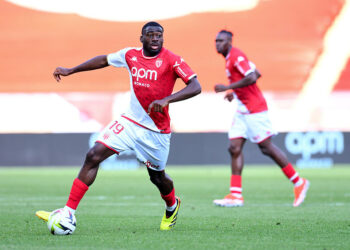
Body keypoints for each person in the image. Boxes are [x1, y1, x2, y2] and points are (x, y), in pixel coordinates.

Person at [35, 21, 201, 231]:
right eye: (150, 35)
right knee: (93, 155)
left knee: (157, 177)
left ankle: (172, 205)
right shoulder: (130, 55)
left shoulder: (172, 60)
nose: (155, 38)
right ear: (142, 38)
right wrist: (71, 70)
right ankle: (68, 211)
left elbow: (196, 86)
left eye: (159, 35)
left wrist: (167, 99)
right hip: (130, 121)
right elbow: (104, 60)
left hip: (156, 131)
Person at [212, 30, 309, 207]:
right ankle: (235, 195)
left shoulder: (236, 56)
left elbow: (252, 77)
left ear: (230, 42)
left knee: (266, 147)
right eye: (216, 41)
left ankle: (298, 182)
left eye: (221, 41)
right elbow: (256, 72)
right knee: (234, 147)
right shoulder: (230, 58)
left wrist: (228, 86)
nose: (217, 44)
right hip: (242, 109)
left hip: (254, 109)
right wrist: (235, 92)